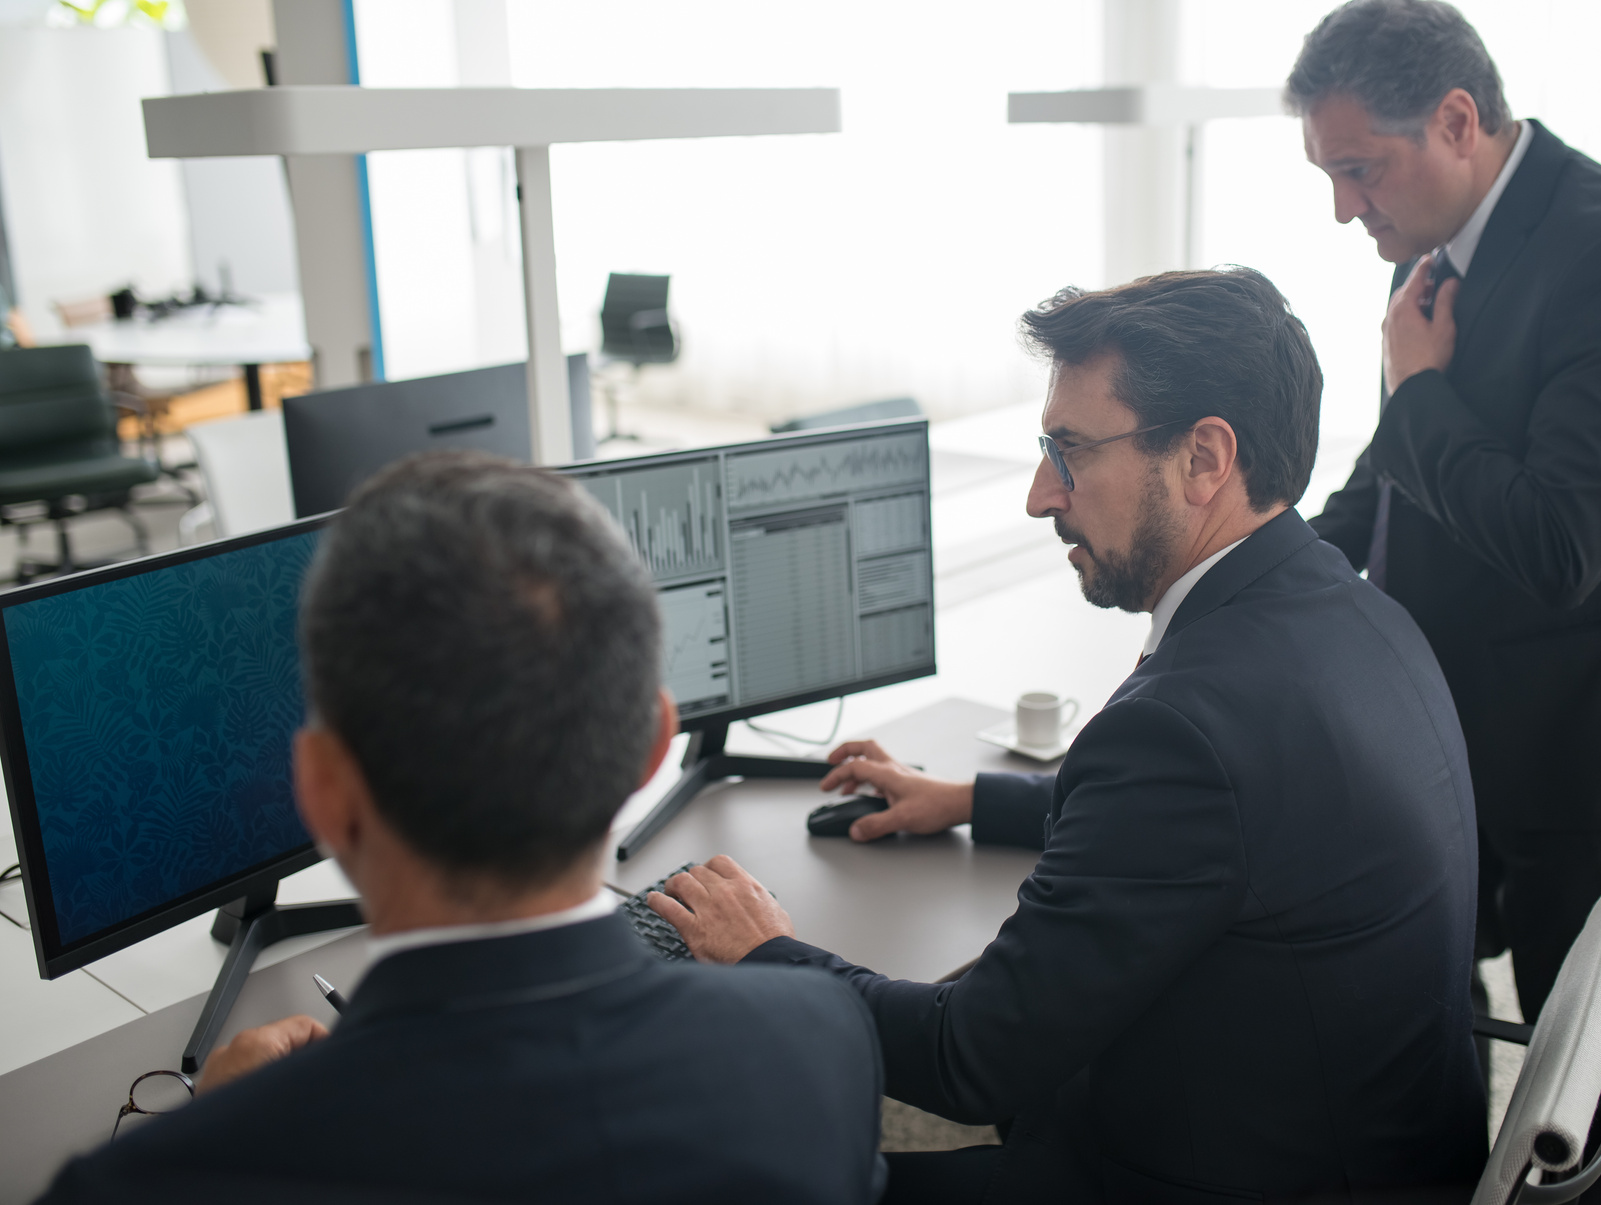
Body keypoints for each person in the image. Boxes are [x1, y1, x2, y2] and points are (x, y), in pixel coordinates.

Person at [650, 269, 1488, 1204]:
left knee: (739, 1175)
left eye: (1070, 451)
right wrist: (971, 799)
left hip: (1220, 1171)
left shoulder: (1182, 728)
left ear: (1205, 458)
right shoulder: (1349, 609)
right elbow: (1232, 821)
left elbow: (968, 1060)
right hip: (1365, 1138)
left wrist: (767, 956)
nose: (1041, 496)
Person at [38, 453, 886, 1204]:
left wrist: (220, 1129)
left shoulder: (142, 1183)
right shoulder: (820, 1033)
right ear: (650, 747)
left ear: (320, 790)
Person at [1287, 3, 1601, 1201]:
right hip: (1449, 707)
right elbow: (1394, 478)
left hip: (1580, 724)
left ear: (1456, 121)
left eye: (1355, 171)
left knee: (1584, 1064)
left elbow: (1554, 539)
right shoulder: (1438, 246)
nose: (1343, 208)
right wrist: (1269, 574)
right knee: (1428, 995)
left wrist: (1416, 389)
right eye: (1327, 177)